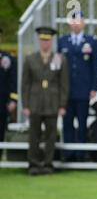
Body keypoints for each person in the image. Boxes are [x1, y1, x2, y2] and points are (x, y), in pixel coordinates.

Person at [21, 27, 69, 176]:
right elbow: (25, 84)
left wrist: (62, 104)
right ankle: (33, 165)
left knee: (51, 136)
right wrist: (25, 104)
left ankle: (48, 165)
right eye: (42, 40)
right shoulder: (30, 59)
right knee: (33, 136)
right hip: (34, 103)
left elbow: (64, 84)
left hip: (52, 103)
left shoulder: (59, 58)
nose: (44, 43)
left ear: (51, 41)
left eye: (47, 40)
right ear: (38, 41)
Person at [58, 10, 97, 162]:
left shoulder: (92, 41)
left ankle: (81, 154)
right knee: (67, 122)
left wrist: (94, 87)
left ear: (84, 22)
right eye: (73, 21)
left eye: (79, 21)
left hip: (83, 89)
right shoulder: (62, 41)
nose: (76, 24)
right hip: (66, 90)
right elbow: (56, 65)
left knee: (82, 122)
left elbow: (96, 66)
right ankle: (69, 154)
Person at [0, 27, 17, 159]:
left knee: (1, 130)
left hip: (2, 102)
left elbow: (13, 81)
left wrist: (13, 99)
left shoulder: (8, 59)